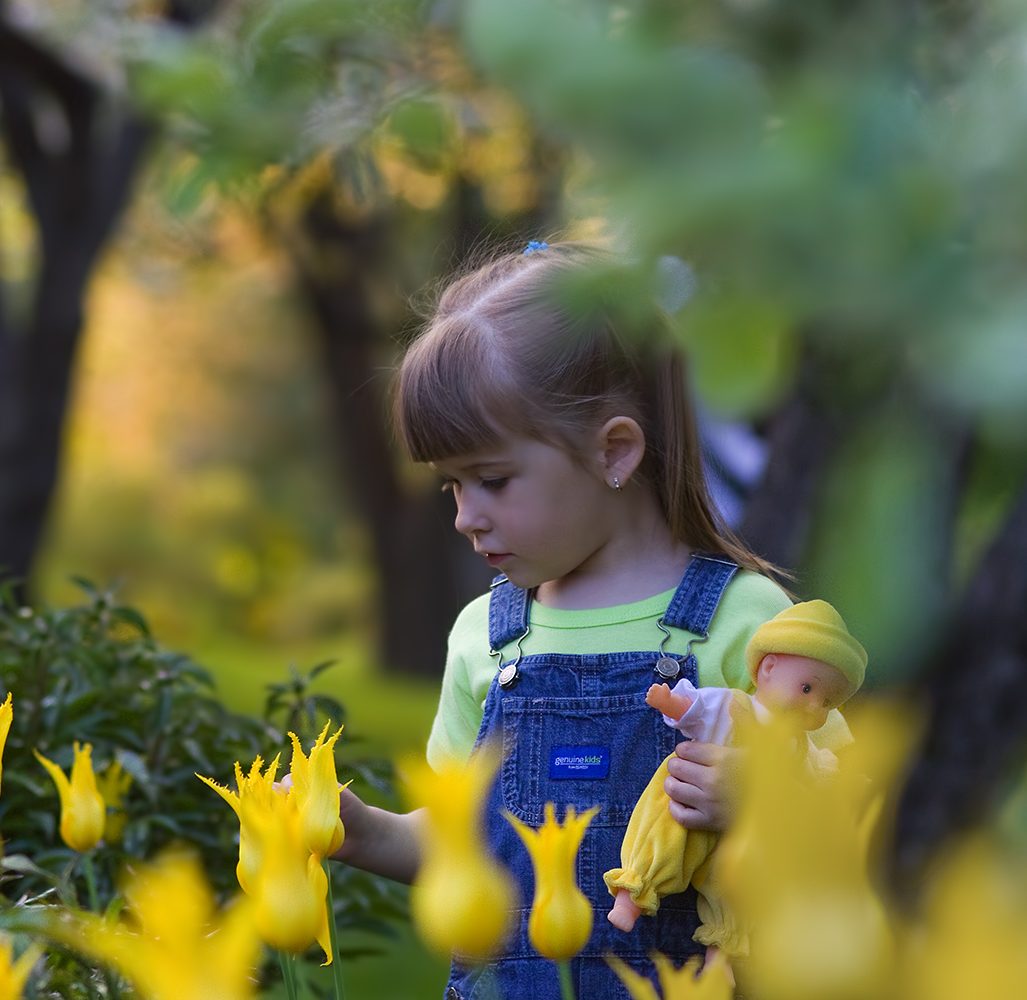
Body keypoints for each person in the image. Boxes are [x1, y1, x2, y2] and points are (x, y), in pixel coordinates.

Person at [322, 242, 852, 999]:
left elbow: (848, 826)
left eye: (493, 479)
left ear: (614, 451)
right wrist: (361, 832)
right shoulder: (485, 636)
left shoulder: (748, 623)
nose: (466, 518)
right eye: (452, 487)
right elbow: (462, 843)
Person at [604, 600, 867, 962]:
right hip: (688, 797)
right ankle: (636, 887)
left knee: (738, 885)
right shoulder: (735, 706)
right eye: (808, 690)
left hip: (744, 833)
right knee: (666, 826)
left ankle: (722, 947)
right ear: (769, 669)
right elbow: (697, 710)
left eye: (827, 704)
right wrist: (671, 703)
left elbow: (819, 776)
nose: (814, 707)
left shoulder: (799, 744)